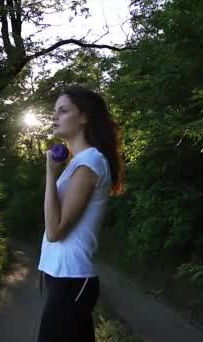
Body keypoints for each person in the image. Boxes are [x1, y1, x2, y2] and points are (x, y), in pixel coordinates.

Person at [37, 85, 125, 341]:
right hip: (61, 277)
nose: (54, 117)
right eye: (54, 111)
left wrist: (50, 176)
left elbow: (55, 231)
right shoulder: (78, 162)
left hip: (72, 280)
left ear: (84, 116)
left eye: (63, 110)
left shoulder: (90, 163)